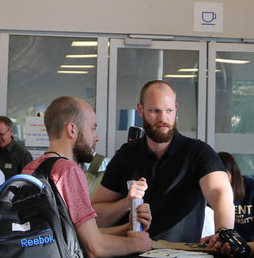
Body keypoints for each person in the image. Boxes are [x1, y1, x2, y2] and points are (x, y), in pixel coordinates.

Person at [91, 80, 234, 242]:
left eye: (169, 110)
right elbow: (95, 217)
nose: (163, 118)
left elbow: (221, 193)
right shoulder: (127, 154)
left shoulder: (198, 152)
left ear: (176, 109)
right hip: (132, 252)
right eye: (155, 111)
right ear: (140, 109)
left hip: (182, 253)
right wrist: (126, 203)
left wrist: (224, 235)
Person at [22, 96, 152, 257]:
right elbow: (94, 248)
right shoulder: (68, 171)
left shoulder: (30, 169)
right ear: (72, 130)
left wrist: (126, 228)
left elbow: (75, 235)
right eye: (92, 128)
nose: (96, 137)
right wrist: (138, 243)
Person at [218, 151, 254, 242]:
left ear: (233, 173)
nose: (218, 180)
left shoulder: (251, 187)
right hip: (229, 244)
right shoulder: (215, 191)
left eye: (222, 175)